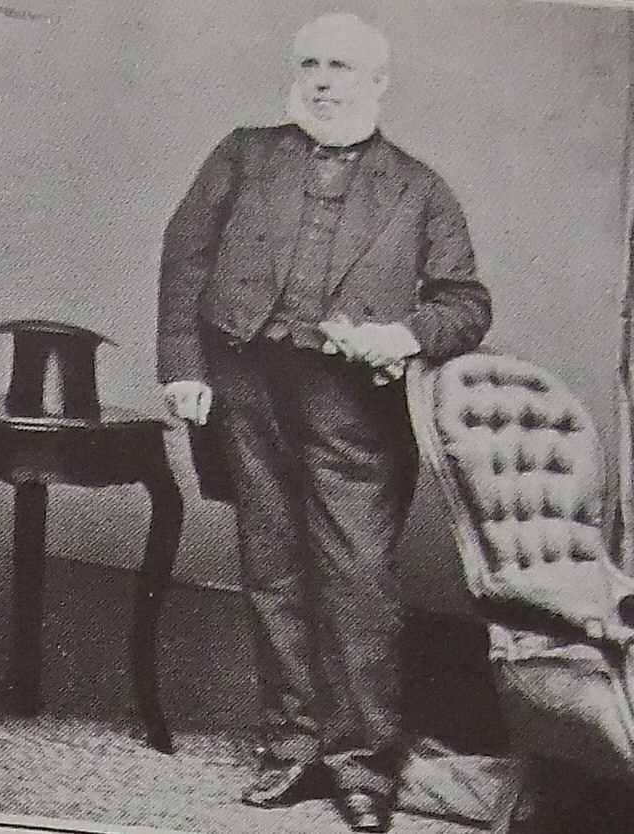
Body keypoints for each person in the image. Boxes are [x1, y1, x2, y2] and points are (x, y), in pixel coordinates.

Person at [157, 12, 491, 832]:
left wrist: (404, 334)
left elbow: (466, 303)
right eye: (310, 63)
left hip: (353, 410)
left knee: (358, 583)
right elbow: (185, 256)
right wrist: (183, 368)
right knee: (271, 568)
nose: (322, 80)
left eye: (341, 66)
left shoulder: (418, 188)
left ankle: (363, 765)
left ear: (378, 82)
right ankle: (292, 748)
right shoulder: (242, 154)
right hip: (245, 387)